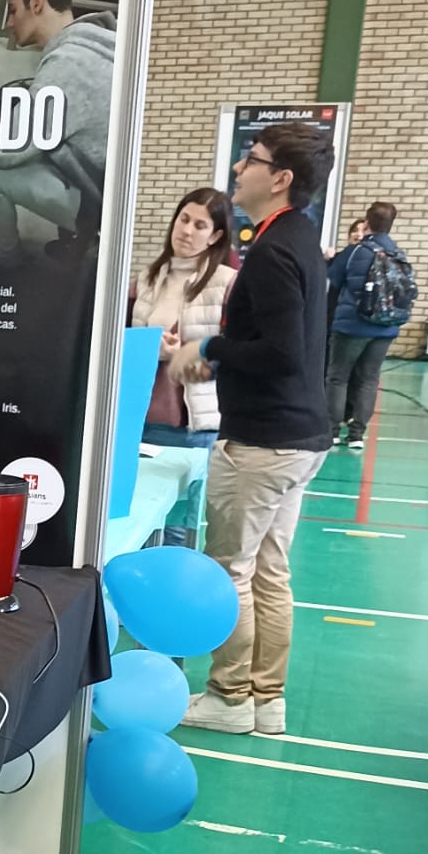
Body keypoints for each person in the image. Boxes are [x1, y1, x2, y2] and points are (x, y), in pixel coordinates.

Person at [168, 122, 334, 736]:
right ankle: (267, 698)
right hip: (299, 438)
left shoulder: (272, 251)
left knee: (232, 571)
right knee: (269, 571)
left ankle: (230, 696)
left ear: (281, 178)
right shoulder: (299, 238)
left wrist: (210, 347)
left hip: (264, 442)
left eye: (252, 159)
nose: (239, 169)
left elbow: (282, 353)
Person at [0, 0, 115, 255]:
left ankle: (8, 261)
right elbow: (27, 105)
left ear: (37, 3)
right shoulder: (92, 39)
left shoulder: (69, 64)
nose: (8, 23)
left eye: (13, 10)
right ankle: (78, 240)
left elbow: (2, 149)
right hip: (105, 179)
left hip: (104, 207)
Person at [130, 187, 237, 450]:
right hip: (136, 417)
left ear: (215, 236)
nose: (187, 231)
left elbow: (238, 355)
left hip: (193, 427)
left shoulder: (227, 284)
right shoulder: (144, 280)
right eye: (184, 219)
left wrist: (183, 354)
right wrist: (148, 348)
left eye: (200, 226)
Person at [326, 201, 406, 452]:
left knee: (338, 377)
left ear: (367, 222)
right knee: (369, 380)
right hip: (385, 327)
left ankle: (332, 431)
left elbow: (334, 278)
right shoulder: (398, 254)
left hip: (352, 325)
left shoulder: (355, 252)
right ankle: (357, 434)